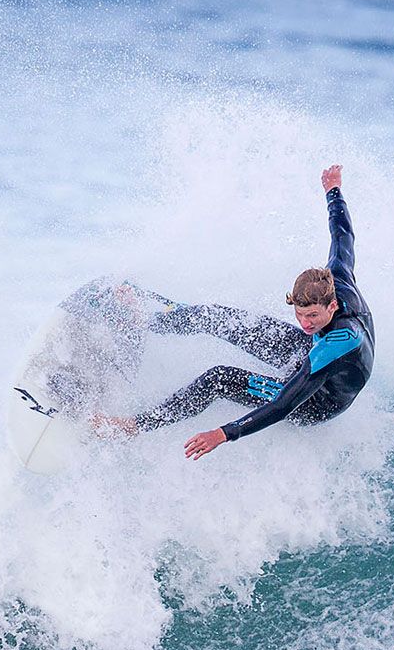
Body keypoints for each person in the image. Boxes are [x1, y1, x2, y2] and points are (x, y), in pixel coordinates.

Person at [94, 164, 375, 460]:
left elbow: (284, 404)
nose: (305, 323)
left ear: (332, 306)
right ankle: (146, 323)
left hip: (317, 401)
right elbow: (343, 235)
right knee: (218, 318)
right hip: (309, 351)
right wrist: (333, 191)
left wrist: (224, 433)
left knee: (218, 378)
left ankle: (133, 426)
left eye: (313, 317)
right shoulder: (337, 277)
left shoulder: (339, 342)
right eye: (300, 315)